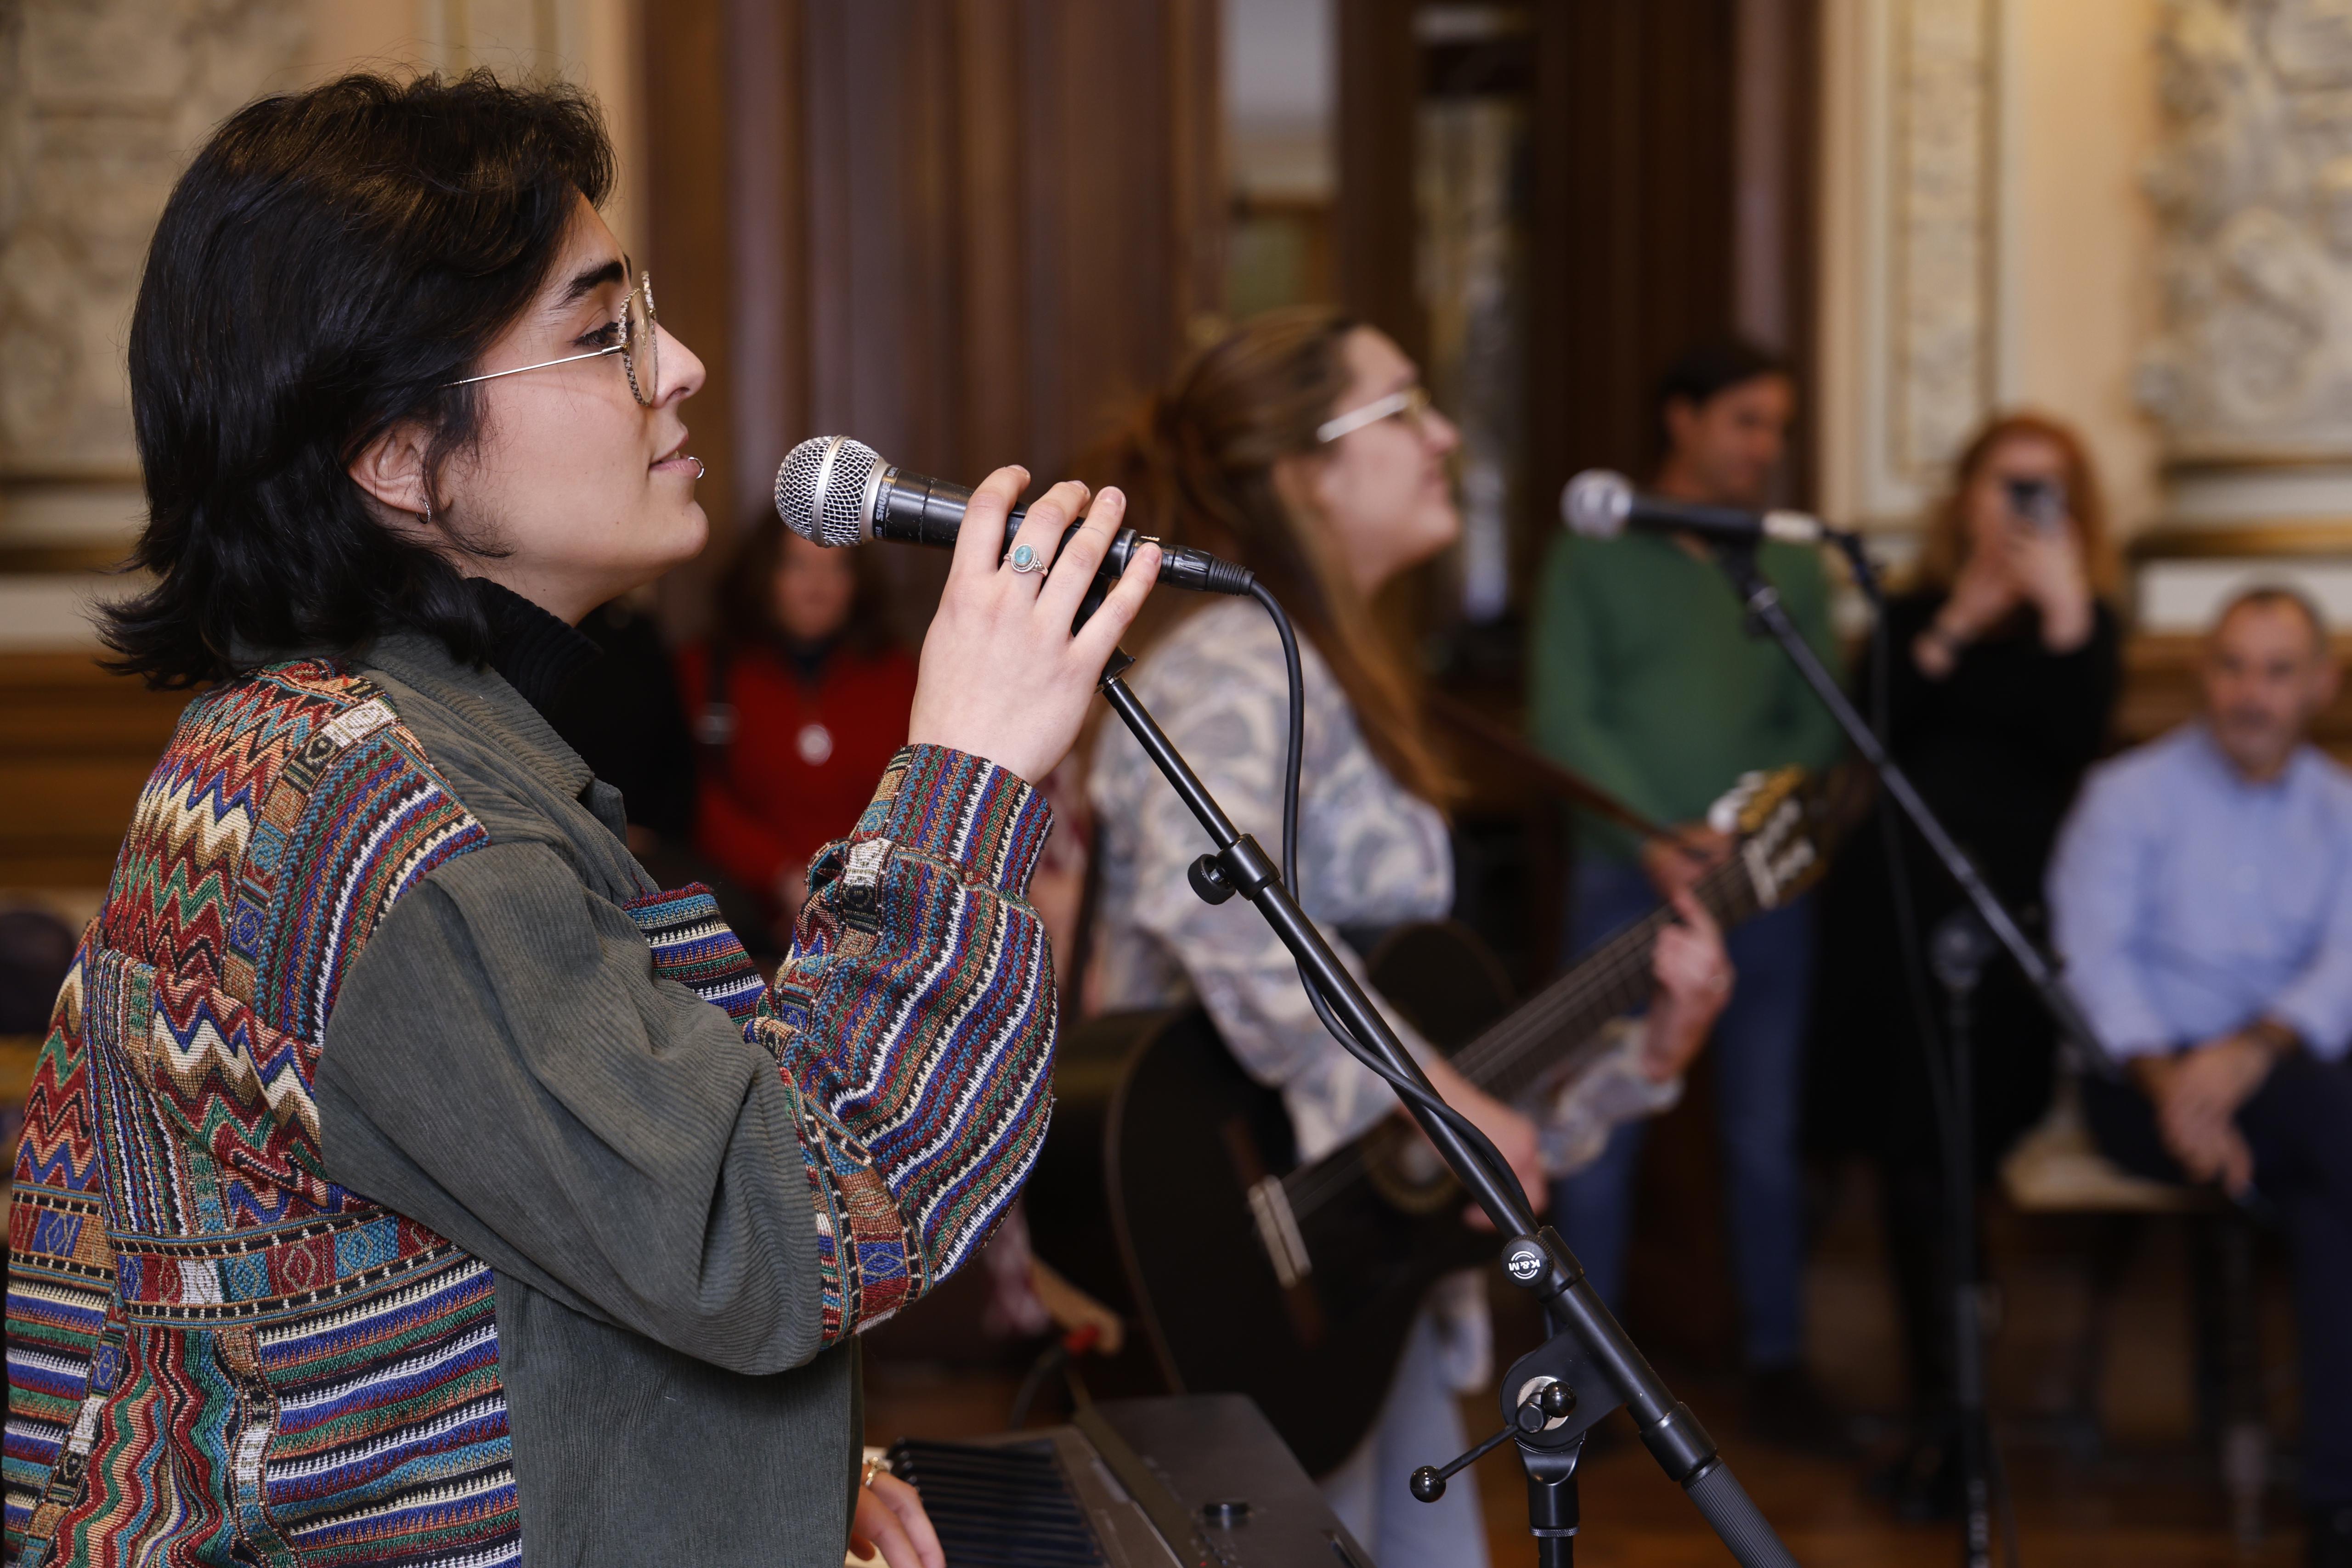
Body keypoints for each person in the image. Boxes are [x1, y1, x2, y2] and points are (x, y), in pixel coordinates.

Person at [1, 73, 1160, 1568]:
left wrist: (758, 1474)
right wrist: (965, 781)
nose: (677, 365)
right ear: (399, 458)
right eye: (603, 329)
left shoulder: (333, 736)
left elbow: (541, 1237)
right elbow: (780, 1229)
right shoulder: (392, 818)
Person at [1085, 307, 1736, 1567]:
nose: (1446, 434)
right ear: (1310, 470)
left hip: (1370, 1288)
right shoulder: (1233, 656)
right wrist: (1441, 1102)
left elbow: (1485, 1134)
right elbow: (1220, 916)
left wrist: (1649, 1044)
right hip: (1238, 1263)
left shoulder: (1334, 672)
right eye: (1405, 408)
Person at [1527, 337, 1847, 1444]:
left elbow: (1816, 720)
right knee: (1595, 1125)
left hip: (1762, 888)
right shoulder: (1593, 551)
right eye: (1745, 421)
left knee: (1764, 1131)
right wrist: (1653, 833)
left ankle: (1776, 1359)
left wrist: (1741, 834)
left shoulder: (1787, 561)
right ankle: (1583, 1368)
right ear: (1681, 417)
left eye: (1776, 429)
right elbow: (1566, 715)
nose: (1763, 448)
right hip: (1623, 878)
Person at [1808, 412, 2122, 1513]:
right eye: (2006, 487)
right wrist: (1959, 620)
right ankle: (1939, 1416)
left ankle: (1965, 1419)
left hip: (2006, 927)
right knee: (1907, 1166)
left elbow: (2077, 740)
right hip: (1890, 923)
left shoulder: (2084, 626)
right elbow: (1870, 727)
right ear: (1964, 499)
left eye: (2047, 490)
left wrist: (2062, 605)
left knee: (1966, 1159)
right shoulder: (1907, 612)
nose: (2022, 510)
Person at [2049, 586, 2352, 1568]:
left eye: (2276, 671)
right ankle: (2335, 1503)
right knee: (2341, 1149)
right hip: (2135, 1081)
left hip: (2283, 1071)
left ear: (2320, 685)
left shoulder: (2340, 810)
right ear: (2201, 675)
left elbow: (2345, 966)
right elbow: (2092, 961)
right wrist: (2174, 1084)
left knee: (2330, 1190)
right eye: (2231, 666)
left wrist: (2252, 1051)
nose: (2250, 695)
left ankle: (2333, 1503)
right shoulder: (2125, 795)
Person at [678, 517, 920, 935]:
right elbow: (696, 798)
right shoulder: (706, 671)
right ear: (764, 577)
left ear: (858, 583)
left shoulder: (901, 676)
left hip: (880, 913)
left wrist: (858, 885)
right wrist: (780, 877)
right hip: (744, 919)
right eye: (796, 565)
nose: (818, 585)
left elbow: (917, 793)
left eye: (837, 568)